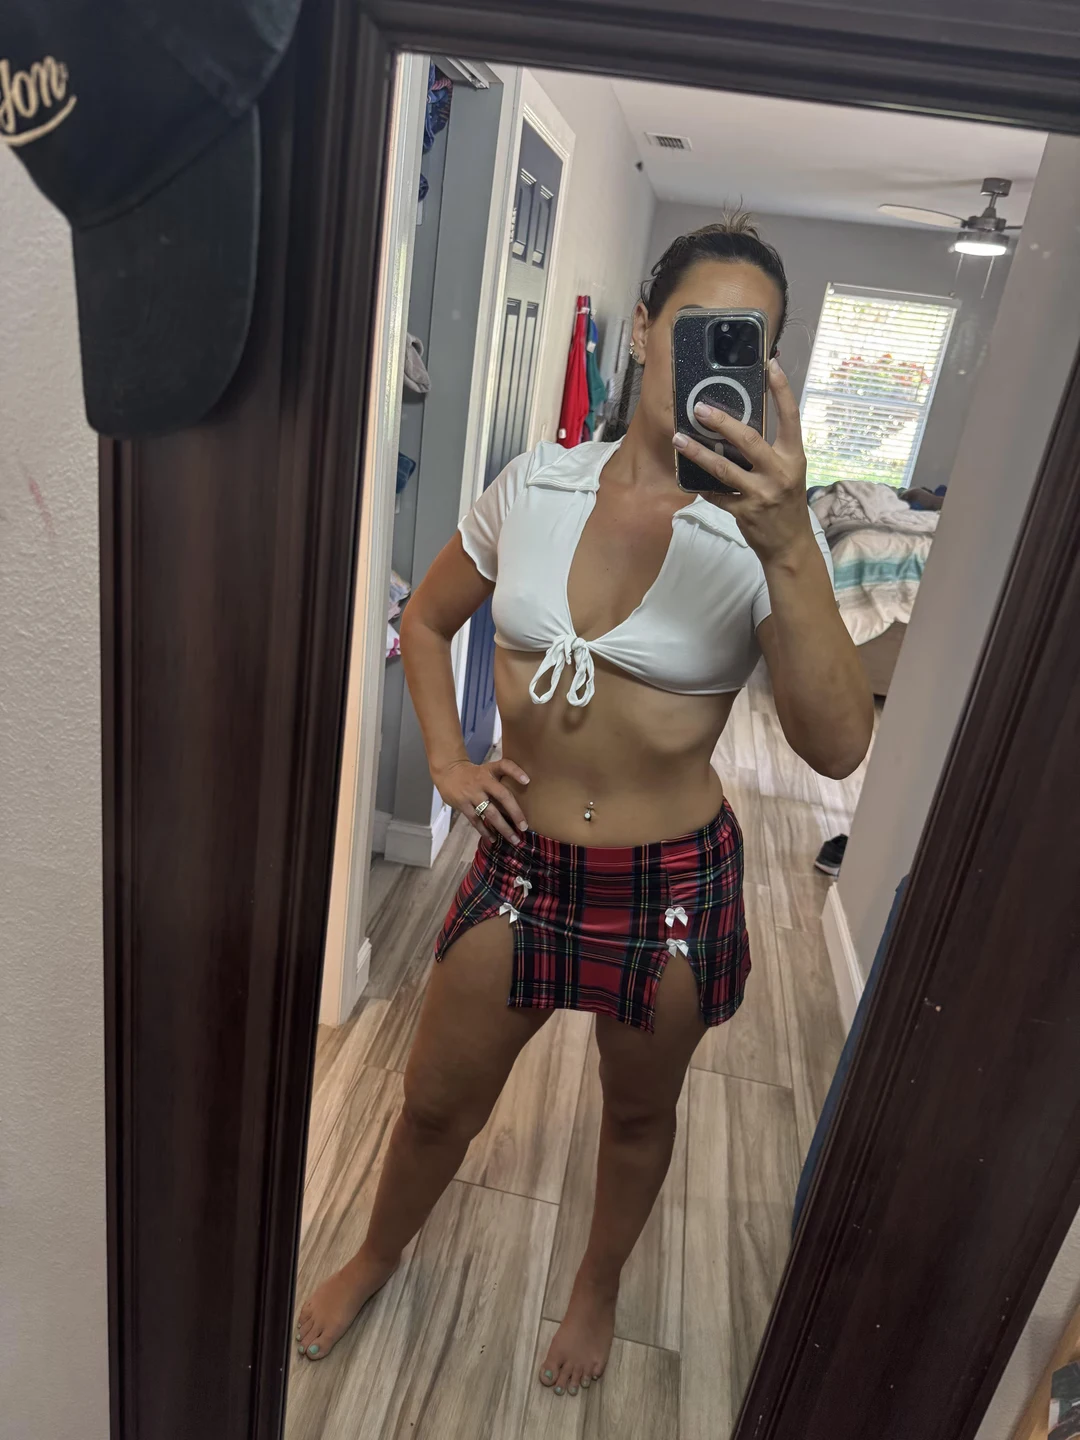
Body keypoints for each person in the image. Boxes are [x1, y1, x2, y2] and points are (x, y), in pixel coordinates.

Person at [294, 216, 874, 1394]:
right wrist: (448, 760)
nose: (713, 355)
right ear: (647, 329)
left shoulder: (762, 535)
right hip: (521, 866)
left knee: (636, 1117)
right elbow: (424, 622)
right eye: (698, 324)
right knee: (434, 1103)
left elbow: (836, 744)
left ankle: (597, 1289)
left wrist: (789, 542)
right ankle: (374, 1254)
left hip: (671, 888)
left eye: (749, 338)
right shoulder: (537, 484)